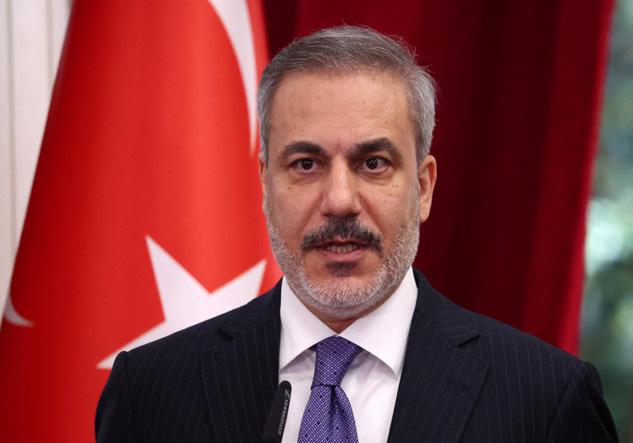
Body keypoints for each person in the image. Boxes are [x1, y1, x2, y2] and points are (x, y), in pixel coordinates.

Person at [95, 26, 618, 442]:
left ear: (423, 187)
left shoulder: (544, 399)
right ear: (265, 184)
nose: (340, 200)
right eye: (306, 164)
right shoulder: (153, 390)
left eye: (373, 163)